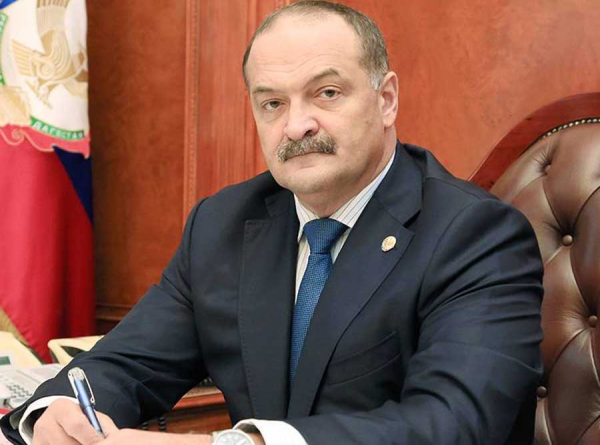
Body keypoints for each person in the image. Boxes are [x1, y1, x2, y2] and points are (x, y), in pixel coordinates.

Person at [1, 1, 544, 444]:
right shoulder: (223, 223)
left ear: (386, 100)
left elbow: (453, 426)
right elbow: (127, 365)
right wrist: (58, 411)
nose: (296, 125)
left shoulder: (475, 235)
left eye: (326, 93)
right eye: (272, 103)